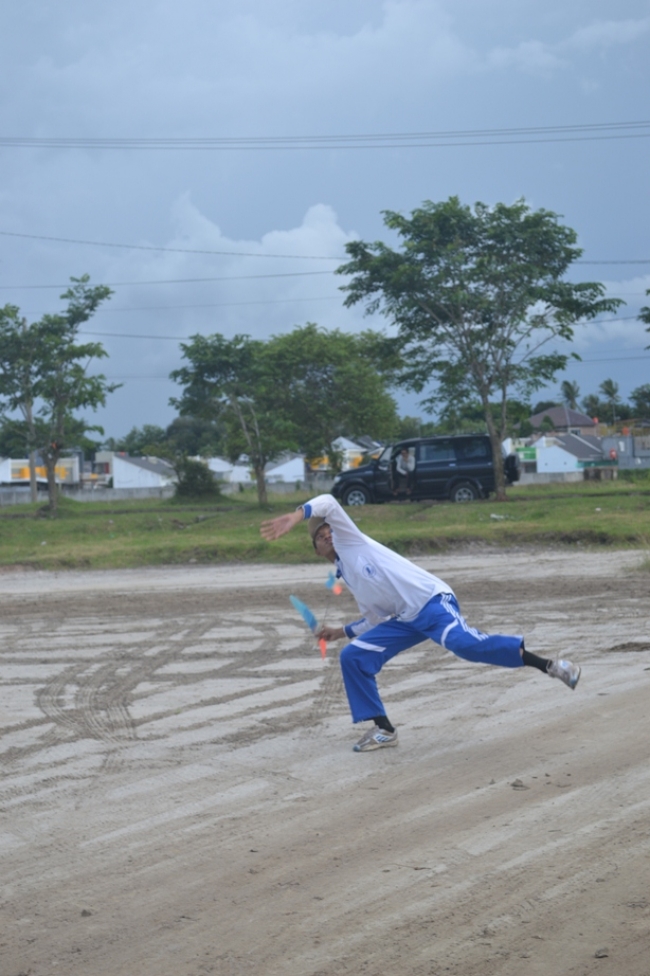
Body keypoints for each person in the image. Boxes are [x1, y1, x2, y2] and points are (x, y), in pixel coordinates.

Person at [260, 494, 581, 753]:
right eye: (319, 536)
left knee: (465, 646)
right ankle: (384, 730)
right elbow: (374, 618)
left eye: (327, 530)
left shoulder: (351, 541)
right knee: (353, 657)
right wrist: (340, 632)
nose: (326, 534)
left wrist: (295, 516)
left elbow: (328, 501)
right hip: (406, 619)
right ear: (316, 551)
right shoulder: (349, 576)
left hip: (432, 602)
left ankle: (553, 666)